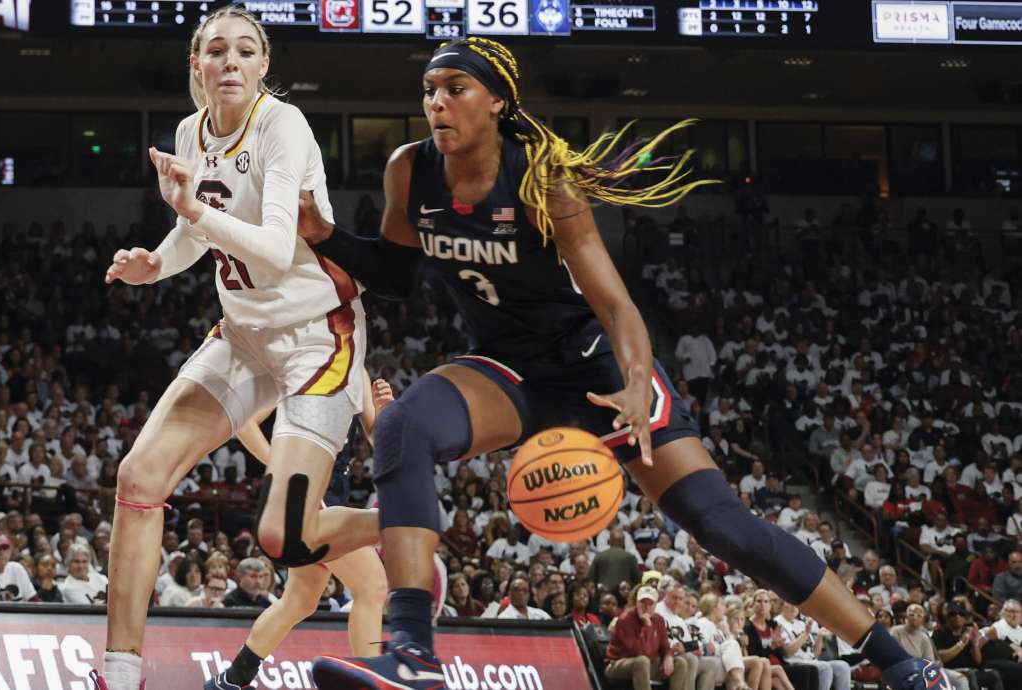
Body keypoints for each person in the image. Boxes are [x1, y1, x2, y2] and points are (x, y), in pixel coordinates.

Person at [299, 36, 948, 690]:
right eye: (429, 90)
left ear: (496, 101)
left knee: (724, 526)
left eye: (455, 89)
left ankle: (902, 663)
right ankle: (411, 653)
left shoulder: (539, 181)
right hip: (510, 369)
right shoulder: (409, 170)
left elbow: (616, 305)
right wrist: (326, 235)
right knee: (404, 429)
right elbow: (398, 275)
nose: (437, 102)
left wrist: (638, 385)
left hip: (596, 370)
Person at [96, 7, 376, 690]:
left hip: (318, 337)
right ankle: (118, 673)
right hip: (245, 333)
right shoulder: (191, 132)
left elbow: (278, 248)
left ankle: (401, 516)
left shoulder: (284, 124)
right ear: (196, 65)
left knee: (288, 537)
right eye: (216, 50)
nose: (230, 61)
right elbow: (199, 234)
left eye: (244, 51)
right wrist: (156, 264)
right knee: (138, 478)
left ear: (262, 67)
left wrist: (193, 212)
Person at [207, 371, 393, 690]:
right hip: (306, 494)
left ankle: (231, 680)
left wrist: (388, 412)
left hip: (332, 495)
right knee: (372, 587)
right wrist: (279, 466)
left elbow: (380, 437)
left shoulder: (355, 368)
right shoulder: (301, 364)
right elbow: (245, 423)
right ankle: (371, 684)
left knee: (301, 600)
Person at [605, 585, 689, 690]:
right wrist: (646, 626)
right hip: (617, 664)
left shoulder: (659, 620)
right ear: (637, 603)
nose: (646, 607)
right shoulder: (625, 619)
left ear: (655, 605)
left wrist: (668, 656)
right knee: (642, 661)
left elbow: (665, 646)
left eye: (650, 603)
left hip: (647, 663)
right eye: (643, 602)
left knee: (680, 663)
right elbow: (637, 651)